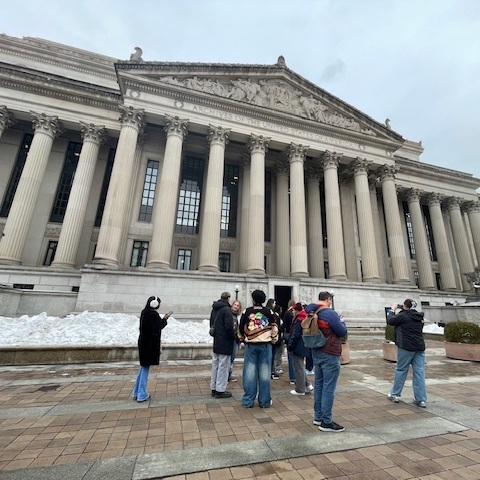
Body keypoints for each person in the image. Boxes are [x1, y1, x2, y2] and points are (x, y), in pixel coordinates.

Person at [308, 291, 347, 432]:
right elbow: (342, 331)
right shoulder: (330, 313)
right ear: (328, 299)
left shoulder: (313, 310)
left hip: (316, 351)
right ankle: (326, 421)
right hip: (329, 352)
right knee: (329, 387)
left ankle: (318, 416)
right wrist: (342, 321)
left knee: (319, 384)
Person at [239, 290, 278, 408]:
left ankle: (248, 401)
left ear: (253, 299)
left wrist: (243, 338)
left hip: (251, 345)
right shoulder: (269, 311)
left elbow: (241, 328)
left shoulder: (247, 311)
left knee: (249, 373)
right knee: (265, 374)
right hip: (265, 345)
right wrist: (273, 339)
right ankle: (264, 401)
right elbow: (274, 328)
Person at [387, 299, 427, 408]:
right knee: (419, 372)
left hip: (406, 347)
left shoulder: (403, 316)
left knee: (401, 370)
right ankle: (421, 399)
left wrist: (392, 309)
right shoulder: (419, 317)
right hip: (419, 347)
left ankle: (395, 394)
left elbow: (390, 320)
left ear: (405, 305)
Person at [132, 296, 170, 402]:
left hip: (143, 343)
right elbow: (158, 327)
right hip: (150, 344)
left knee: (143, 367)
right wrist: (165, 319)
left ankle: (136, 392)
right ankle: (141, 394)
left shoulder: (144, 312)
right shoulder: (153, 314)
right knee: (145, 369)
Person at [210, 293, 236, 398]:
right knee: (223, 366)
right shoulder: (226, 310)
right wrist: (234, 337)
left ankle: (213, 387)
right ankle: (220, 389)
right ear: (228, 298)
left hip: (217, 339)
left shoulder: (215, 308)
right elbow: (228, 327)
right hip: (225, 341)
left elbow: (211, 323)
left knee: (215, 365)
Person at [286, 306, 313, 396]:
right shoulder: (303, 318)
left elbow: (295, 335)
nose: (292, 312)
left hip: (298, 346)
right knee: (300, 366)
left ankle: (300, 389)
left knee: (298, 368)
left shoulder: (298, 320)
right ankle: (308, 385)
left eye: (293, 310)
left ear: (297, 311)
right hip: (303, 345)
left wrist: (290, 345)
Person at [266, 298, 282, 379]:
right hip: (271, 337)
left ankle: (270, 371)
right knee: (272, 355)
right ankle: (271, 371)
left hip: (267, 337)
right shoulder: (272, 314)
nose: (275, 305)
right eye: (274, 303)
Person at [228, 299, 243, 382]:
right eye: (235, 305)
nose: (236, 306)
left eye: (238, 305)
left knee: (232, 358)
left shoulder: (238, 316)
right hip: (231, 338)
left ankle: (229, 374)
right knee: (229, 358)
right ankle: (227, 375)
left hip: (237, 339)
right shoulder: (230, 315)